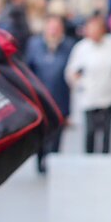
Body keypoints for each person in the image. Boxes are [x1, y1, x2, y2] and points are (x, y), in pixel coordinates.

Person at [65, 13, 111, 153]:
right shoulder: (82, 48)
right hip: (89, 95)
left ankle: (105, 160)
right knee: (90, 131)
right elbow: (71, 72)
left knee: (106, 132)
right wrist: (79, 83)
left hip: (109, 92)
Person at [24, 14, 75, 173]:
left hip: (60, 98)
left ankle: (53, 161)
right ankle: (40, 160)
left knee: (57, 133)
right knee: (41, 132)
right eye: (51, 27)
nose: (53, 31)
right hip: (40, 98)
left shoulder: (69, 46)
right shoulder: (34, 44)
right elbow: (27, 69)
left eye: (57, 28)